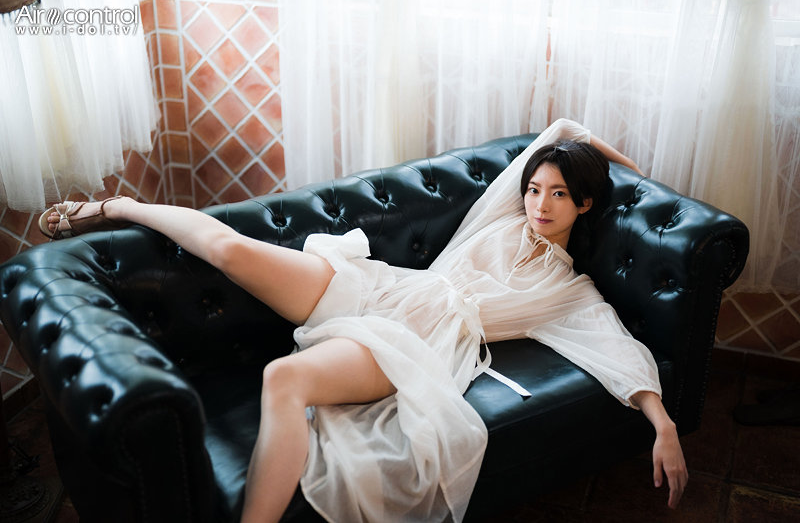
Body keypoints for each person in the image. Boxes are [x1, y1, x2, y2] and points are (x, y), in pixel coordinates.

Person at [40, 119, 688, 523]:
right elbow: (563, 128)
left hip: (420, 334)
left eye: (559, 195)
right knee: (233, 252)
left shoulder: (567, 291)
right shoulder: (504, 215)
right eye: (535, 189)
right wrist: (624, 167)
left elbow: (616, 348)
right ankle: (118, 206)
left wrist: (662, 425)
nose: (539, 204)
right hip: (380, 285)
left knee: (284, 379)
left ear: (584, 205)